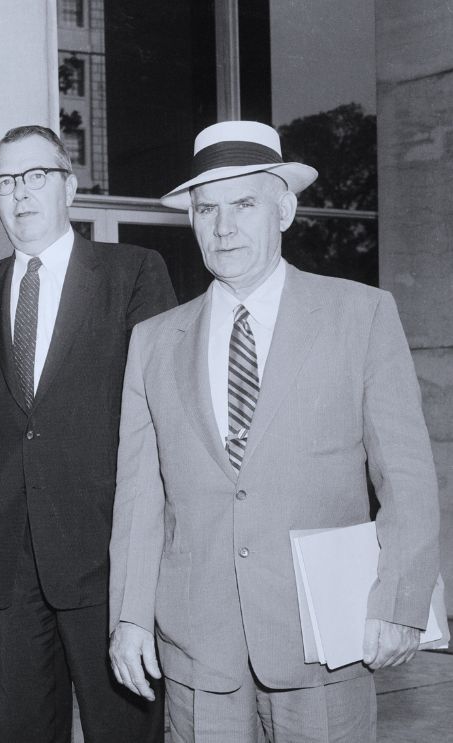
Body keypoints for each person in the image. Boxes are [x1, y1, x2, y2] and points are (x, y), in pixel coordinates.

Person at [109, 120, 440, 741]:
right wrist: (128, 616)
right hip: (198, 649)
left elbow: (407, 477)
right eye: (207, 208)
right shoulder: (153, 341)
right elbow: (139, 497)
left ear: (283, 209)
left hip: (324, 643)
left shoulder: (360, 315)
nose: (224, 225)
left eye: (244, 204)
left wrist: (401, 604)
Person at [0, 125, 175, 742]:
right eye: (4, 182)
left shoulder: (132, 273)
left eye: (36, 176)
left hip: (107, 559)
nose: (19, 193)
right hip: (10, 564)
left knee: (124, 731)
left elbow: (161, 420)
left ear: (69, 187)